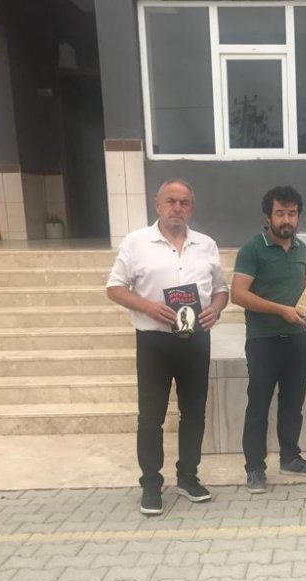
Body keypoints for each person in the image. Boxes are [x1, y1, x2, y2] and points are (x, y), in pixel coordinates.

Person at [106, 179, 229, 516]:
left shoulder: (206, 245)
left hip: (195, 340)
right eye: (171, 201)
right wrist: (147, 307)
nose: (177, 208)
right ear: (157, 205)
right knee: (151, 417)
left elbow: (222, 289)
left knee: (194, 413)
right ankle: (151, 484)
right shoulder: (136, 243)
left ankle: (188, 476)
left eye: (184, 202)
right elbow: (115, 288)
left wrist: (216, 309)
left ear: (192, 207)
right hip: (154, 341)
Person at [231, 186, 306, 494]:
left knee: (293, 403)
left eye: (292, 213)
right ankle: (255, 469)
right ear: (268, 216)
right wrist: (281, 310)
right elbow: (238, 294)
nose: (287, 220)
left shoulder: (300, 248)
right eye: (280, 213)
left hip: (297, 340)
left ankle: (290, 458)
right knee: (258, 407)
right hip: (263, 341)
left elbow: (304, 279)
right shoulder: (252, 249)